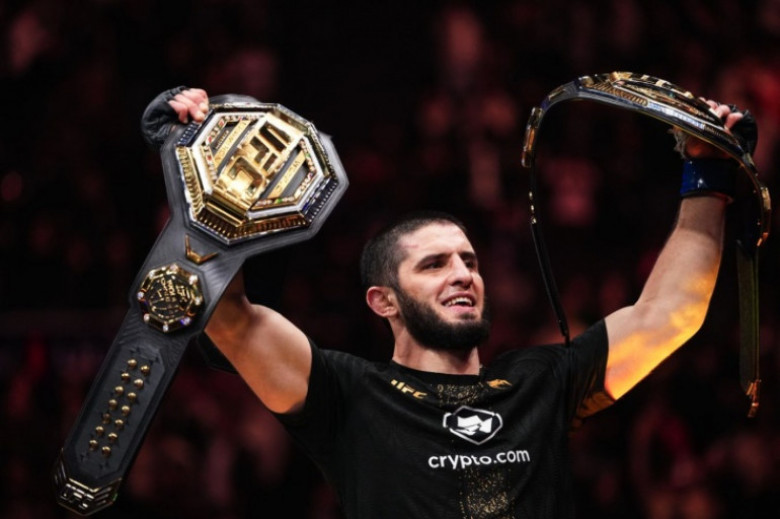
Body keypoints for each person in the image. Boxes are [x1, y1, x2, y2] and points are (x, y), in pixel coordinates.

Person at [142, 86, 753, 518]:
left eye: (469, 261)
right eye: (434, 264)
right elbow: (231, 319)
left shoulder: (540, 381)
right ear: (383, 301)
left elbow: (669, 312)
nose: (463, 275)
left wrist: (709, 175)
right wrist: (189, 156)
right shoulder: (347, 395)